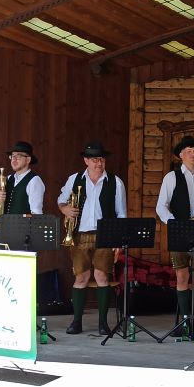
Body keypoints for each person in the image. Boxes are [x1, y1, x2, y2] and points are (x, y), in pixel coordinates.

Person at [58, 142, 126, 335]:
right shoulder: (74, 179)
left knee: (102, 276)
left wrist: (118, 240)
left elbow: (121, 213)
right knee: (81, 277)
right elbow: (61, 200)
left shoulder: (116, 182)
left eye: (102, 159)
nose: (99, 163)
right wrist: (65, 209)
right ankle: (76, 322)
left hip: (105, 235)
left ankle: (103, 323)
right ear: (86, 161)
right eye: (95, 159)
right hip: (79, 234)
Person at [155, 135, 194, 336]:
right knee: (182, 276)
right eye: (189, 151)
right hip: (179, 231)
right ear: (181, 155)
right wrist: (174, 224)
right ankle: (185, 322)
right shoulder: (171, 177)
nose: (193, 154)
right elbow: (161, 206)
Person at [0, 141, 45, 215]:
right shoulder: (8, 178)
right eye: (12, 156)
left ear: (28, 160)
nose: (14, 159)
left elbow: (36, 214)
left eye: (18, 156)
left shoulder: (34, 181)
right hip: (5, 222)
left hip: (24, 223)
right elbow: (0, 210)